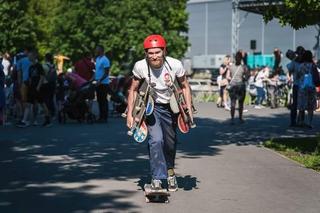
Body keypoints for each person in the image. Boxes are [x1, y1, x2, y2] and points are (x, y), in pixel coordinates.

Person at [126, 35, 193, 191]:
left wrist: (188, 110)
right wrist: (130, 114)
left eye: (157, 52)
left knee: (170, 143)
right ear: (146, 54)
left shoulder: (175, 65)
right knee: (156, 140)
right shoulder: (140, 66)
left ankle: (170, 173)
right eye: (150, 53)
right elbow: (133, 89)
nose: (154, 56)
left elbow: (185, 86)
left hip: (171, 107)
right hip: (152, 107)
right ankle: (156, 178)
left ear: (164, 51)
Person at [16, 50, 52, 127]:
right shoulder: (31, 67)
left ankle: (48, 120)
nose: (28, 57)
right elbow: (31, 78)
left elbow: (42, 77)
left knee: (42, 103)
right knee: (29, 103)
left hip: (38, 88)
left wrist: (38, 87)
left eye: (29, 56)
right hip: (32, 87)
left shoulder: (38, 66)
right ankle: (24, 121)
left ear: (34, 57)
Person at [296, 50, 318, 128]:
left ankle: (301, 122)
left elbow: (297, 76)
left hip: (302, 87)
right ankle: (309, 123)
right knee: (310, 106)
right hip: (311, 87)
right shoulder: (313, 65)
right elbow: (316, 77)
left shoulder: (300, 66)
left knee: (302, 105)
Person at [226, 51, 249, 124]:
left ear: (235, 58)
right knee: (241, 103)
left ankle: (232, 119)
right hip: (241, 86)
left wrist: (232, 79)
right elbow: (247, 75)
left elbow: (227, 76)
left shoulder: (231, 67)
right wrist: (243, 78)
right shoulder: (243, 67)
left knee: (233, 103)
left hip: (233, 86)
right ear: (241, 58)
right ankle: (240, 118)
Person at [287, 46, 305, 127]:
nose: (299, 55)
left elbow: (290, 69)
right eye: (299, 53)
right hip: (297, 85)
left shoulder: (304, 62)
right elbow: (289, 69)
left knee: (302, 104)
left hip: (302, 85)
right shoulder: (295, 62)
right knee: (295, 104)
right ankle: (294, 121)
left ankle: (300, 121)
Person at [94, 45, 111, 123]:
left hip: (103, 83)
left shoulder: (105, 60)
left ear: (101, 50)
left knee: (103, 100)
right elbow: (97, 71)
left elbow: (106, 73)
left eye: (97, 49)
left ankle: (104, 117)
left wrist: (100, 80)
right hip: (98, 82)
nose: (96, 51)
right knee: (99, 100)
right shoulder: (97, 59)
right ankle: (101, 116)